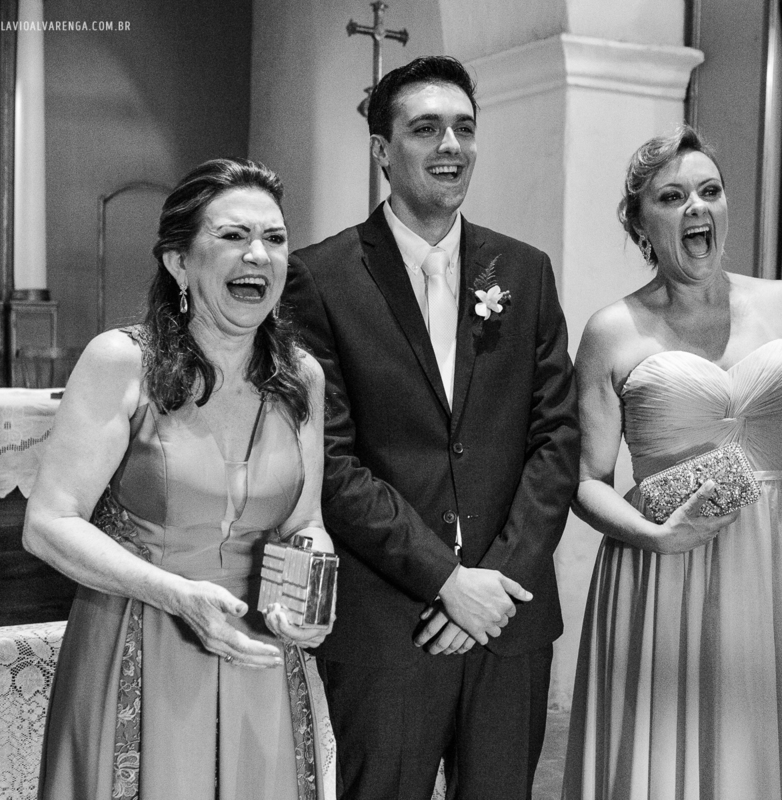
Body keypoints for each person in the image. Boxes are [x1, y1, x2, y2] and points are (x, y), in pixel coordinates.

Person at [282, 55, 579, 800]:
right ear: (382, 151)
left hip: (509, 619)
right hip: (389, 621)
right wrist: (445, 581)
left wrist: (497, 584)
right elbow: (331, 461)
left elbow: (556, 439)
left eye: (464, 128)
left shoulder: (525, 271)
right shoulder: (319, 277)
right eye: (425, 129)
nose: (451, 145)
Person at [563, 126, 782, 800]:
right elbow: (587, 480)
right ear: (639, 223)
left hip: (778, 564)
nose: (696, 207)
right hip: (662, 571)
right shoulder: (612, 330)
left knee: (757, 756)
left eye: (709, 191)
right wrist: (656, 536)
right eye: (672, 197)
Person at [24, 158, 336, 799]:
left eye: (274, 238)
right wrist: (177, 595)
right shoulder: (121, 361)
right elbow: (48, 523)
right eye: (233, 235)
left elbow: (305, 521)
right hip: (139, 638)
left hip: (259, 651)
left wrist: (312, 598)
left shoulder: (301, 376)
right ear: (178, 263)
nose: (259, 254)